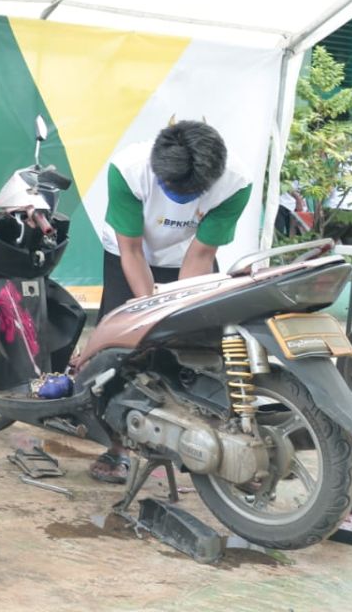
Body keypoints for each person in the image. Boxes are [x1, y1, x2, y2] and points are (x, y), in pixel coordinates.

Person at [87, 120, 252, 483]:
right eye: (172, 188)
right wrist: (148, 314)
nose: (182, 197)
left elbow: (201, 254)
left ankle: (201, 439)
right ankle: (118, 448)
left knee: (200, 346)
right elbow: (130, 249)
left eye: (192, 192)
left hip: (188, 257)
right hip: (129, 254)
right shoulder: (129, 170)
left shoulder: (235, 183)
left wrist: (177, 320)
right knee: (120, 347)